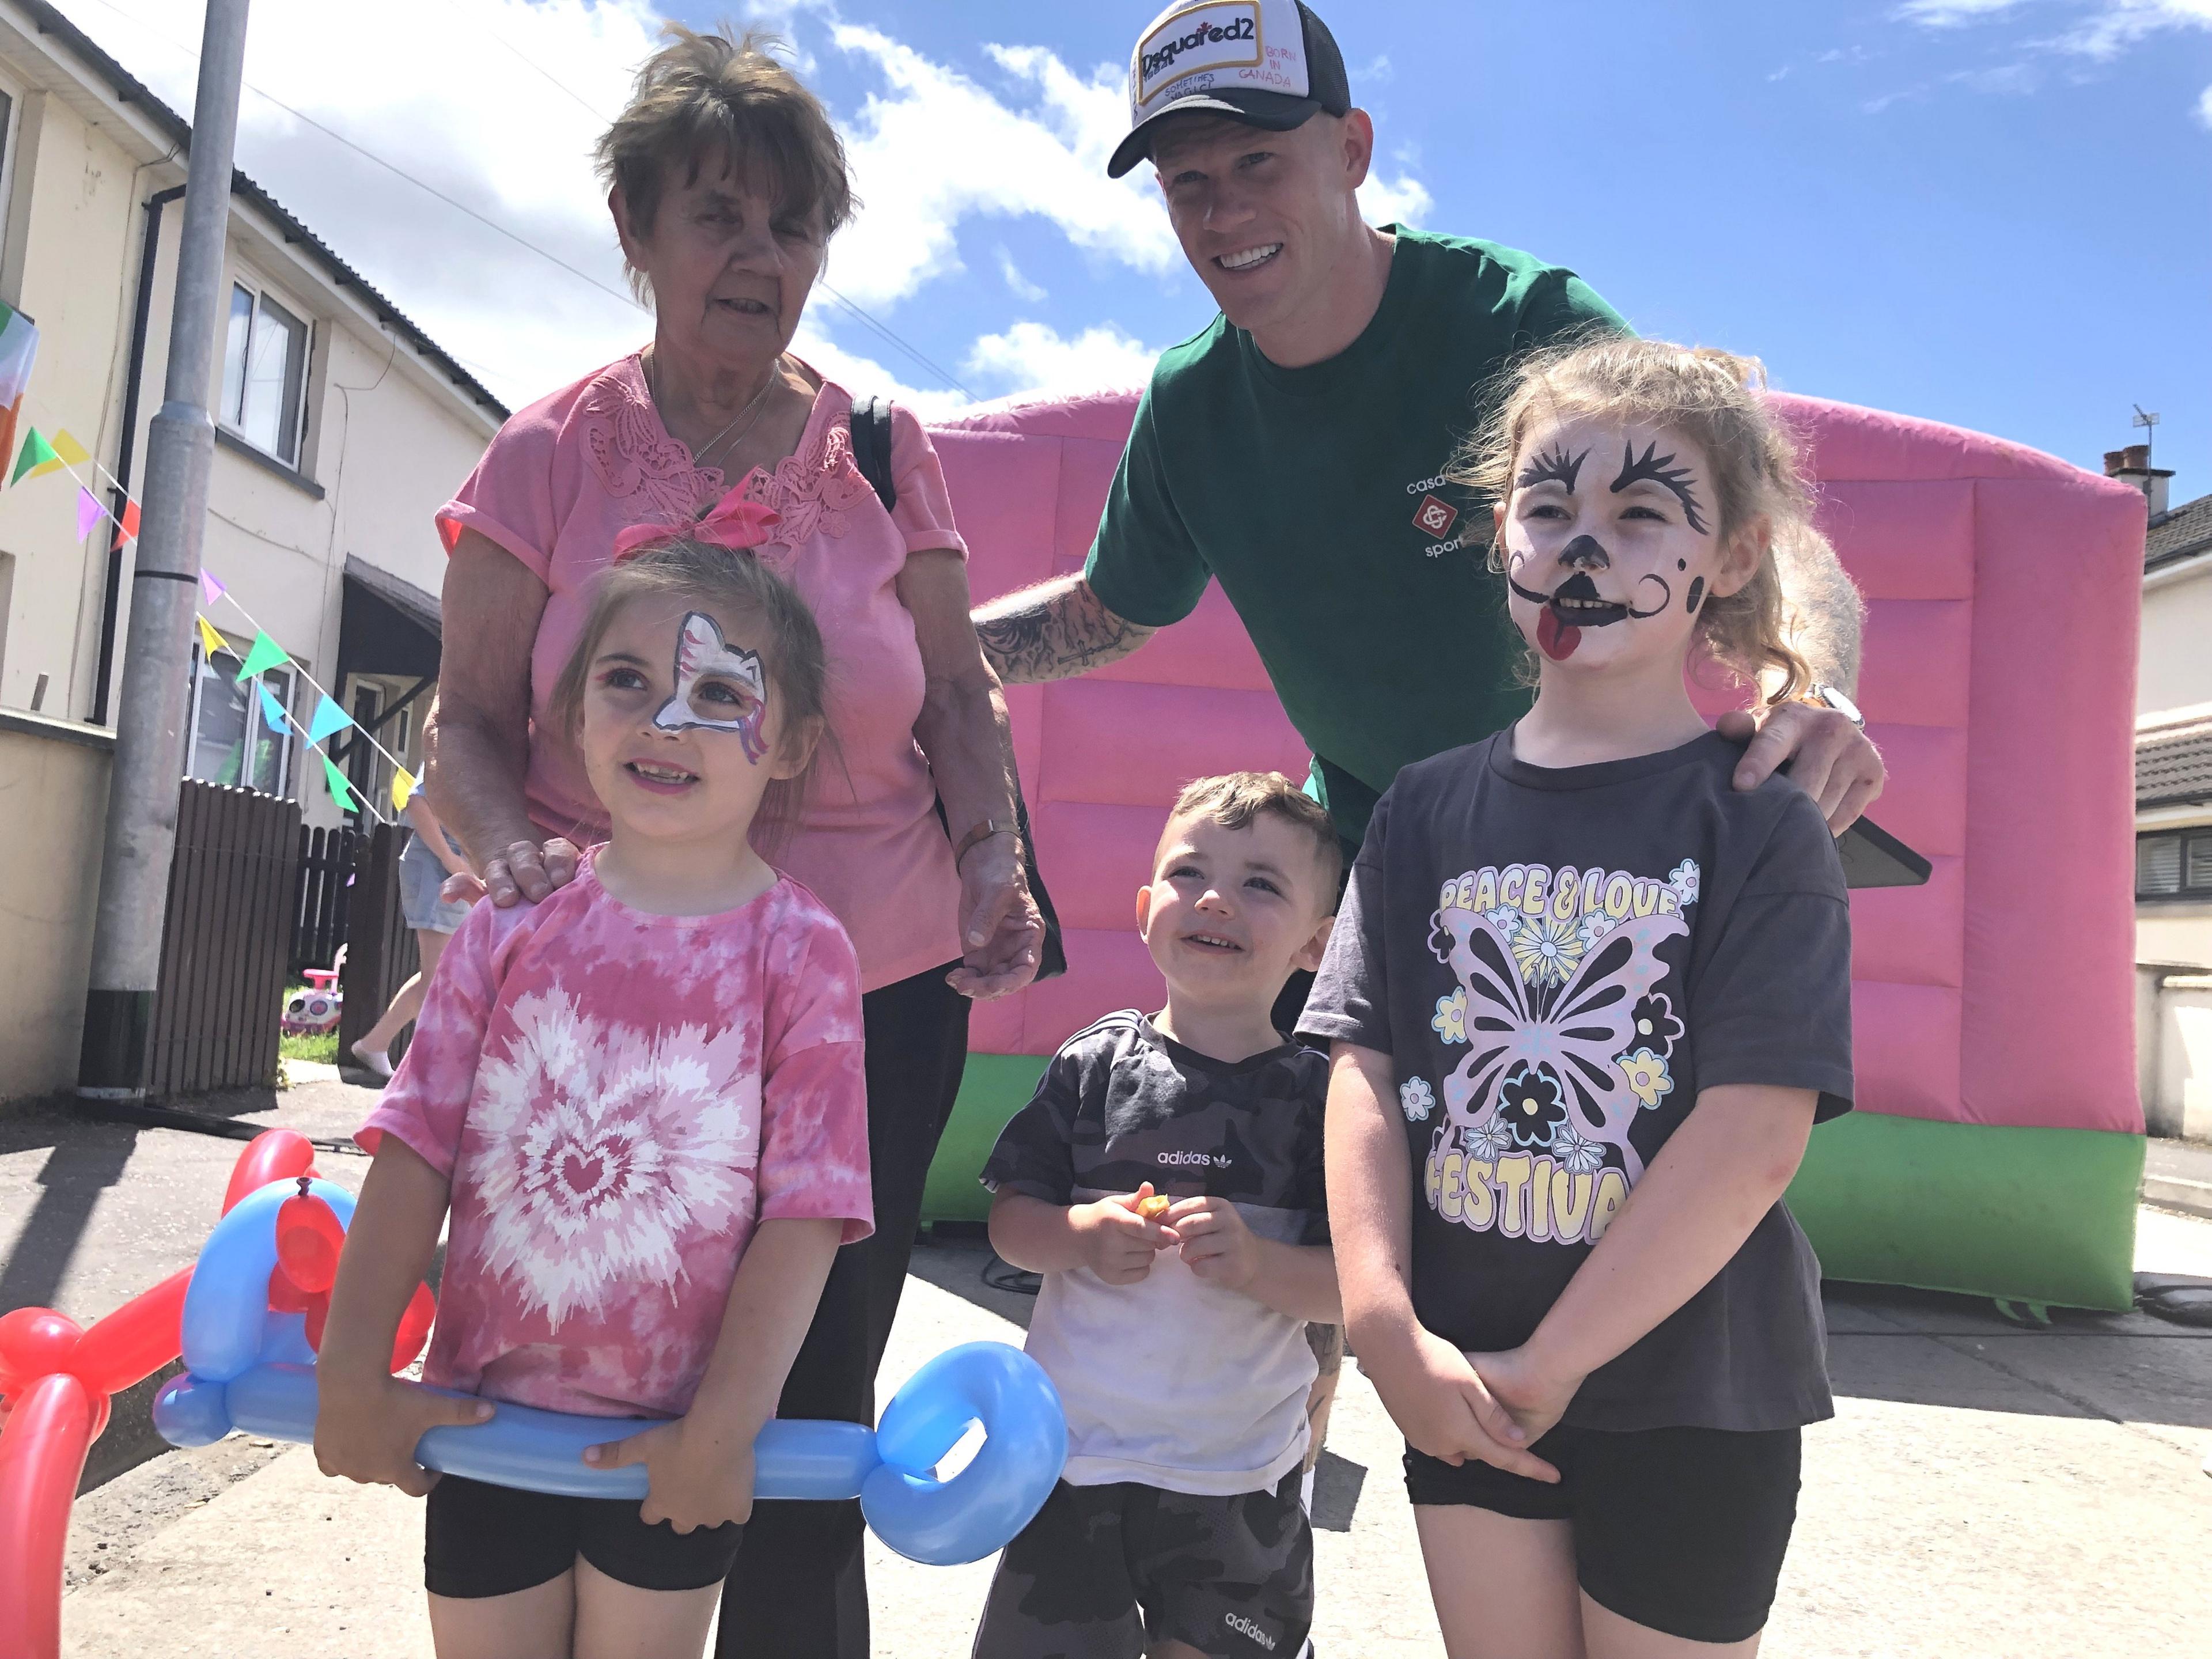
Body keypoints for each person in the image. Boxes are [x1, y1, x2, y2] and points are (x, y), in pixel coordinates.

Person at [418, 27, 1039, 1652]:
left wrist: (995, 859)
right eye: (720, 216)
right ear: (635, 231)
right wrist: (518, 876)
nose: (762, 257)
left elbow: (961, 697)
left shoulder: (889, 456)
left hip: (876, 989)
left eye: (795, 226)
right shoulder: (548, 452)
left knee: (811, 1395)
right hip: (620, 996)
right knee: (594, 1361)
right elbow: (466, 728)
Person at [972, 0, 1882, 853]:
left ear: (1352, 150)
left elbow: (1761, 531)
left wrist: (1810, 691)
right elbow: (1108, 611)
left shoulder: (1525, 322)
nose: (1223, 213)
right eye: (1188, 183)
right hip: (1379, 853)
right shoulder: (1189, 402)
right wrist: (911, 651)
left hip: (1605, 835)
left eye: (1258, 163)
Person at [1305, 337, 1856, 1657]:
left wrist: (1548, 1367)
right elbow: (1361, 1071)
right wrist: (1384, 1328)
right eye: (1549, 508)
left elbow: (1753, 1133)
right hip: (1458, 1380)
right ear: (1500, 533)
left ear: (1728, 556)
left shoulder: (1759, 823)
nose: (1583, 548)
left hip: (1693, 1399)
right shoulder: (1422, 809)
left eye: (1640, 512)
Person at [316, 539, 874, 1659]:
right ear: (573, 714)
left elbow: (809, 1209)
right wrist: (350, 1374)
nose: (667, 719)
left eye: (721, 693)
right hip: (482, 1429)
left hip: (670, 1450)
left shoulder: (801, 952)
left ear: (793, 745)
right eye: (628, 679)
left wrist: (727, 1425)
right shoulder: (510, 924)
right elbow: (414, 1148)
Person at [973, 772, 1342, 1659]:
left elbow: (1354, 1288)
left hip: (1239, 1479)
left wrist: (1260, 1266)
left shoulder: (1318, 1101)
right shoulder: (1093, 1066)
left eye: (1261, 883)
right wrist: (1076, 1238)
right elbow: (1010, 1222)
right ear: (1144, 909)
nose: (1215, 898)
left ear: (1316, 945)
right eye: (1189, 873)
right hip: (1075, 1465)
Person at [349, 791, 475, 1081]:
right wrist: (451, 859)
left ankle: (374, 1044)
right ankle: (425, 1073)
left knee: (441, 973)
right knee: (439, 980)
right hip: (440, 869)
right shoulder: (448, 747)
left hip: (457, 870)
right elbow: (417, 803)